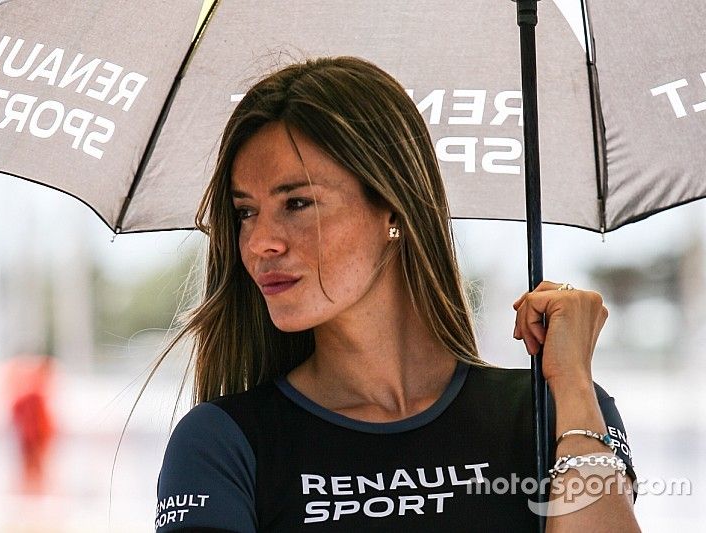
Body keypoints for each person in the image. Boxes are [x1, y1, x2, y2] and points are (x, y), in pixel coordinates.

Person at [155, 56, 640, 532]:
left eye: (297, 203)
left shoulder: (556, 414)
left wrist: (572, 383)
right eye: (245, 213)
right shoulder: (222, 443)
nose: (261, 242)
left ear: (393, 210)